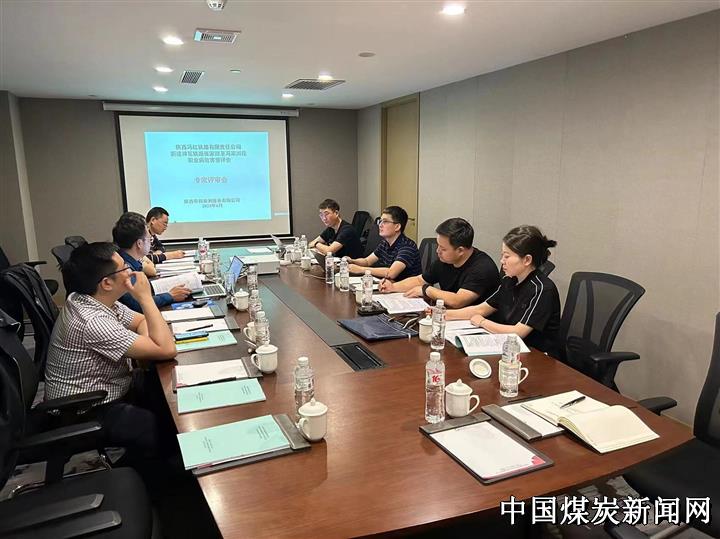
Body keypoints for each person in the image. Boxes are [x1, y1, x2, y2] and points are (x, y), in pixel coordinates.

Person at [44, 242, 178, 462]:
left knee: (161, 390)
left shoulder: (93, 299)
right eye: (125, 267)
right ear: (106, 283)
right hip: (82, 410)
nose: (131, 270)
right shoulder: (93, 321)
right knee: (154, 426)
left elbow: (141, 321)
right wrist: (145, 298)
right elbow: (166, 349)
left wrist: (150, 343)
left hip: (107, 388)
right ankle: (149, 475)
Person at [446, 225, 561, 356]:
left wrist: (482, 322)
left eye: (507, 256)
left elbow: (518, 332)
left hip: (537, 356)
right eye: (502, 256)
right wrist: (442, 314)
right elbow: (481, 309)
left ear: (527, 260)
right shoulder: (509, 280)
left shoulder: (542, 289)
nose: (502, 261)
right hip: (510, 349)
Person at [379, 217, 499, 309]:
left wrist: (427, 290)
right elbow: (420, 280)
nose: (437, 251)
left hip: (477, 325)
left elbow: (458, 301)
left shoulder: (482, 267)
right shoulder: (445, 260)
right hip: (449, 316)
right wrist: (392, 287)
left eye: (443, 248)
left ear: (460, 250)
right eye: (438, 246)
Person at [112, 212, 190, 312]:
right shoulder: (124, 269)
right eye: (149, 238)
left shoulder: (128, 260)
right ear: (139, 243)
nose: (151, 241)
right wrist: (170, 296)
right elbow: (139, 304)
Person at [346, 206, 421, 281]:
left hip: (404, 287)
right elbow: (367, 261)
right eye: (380, 221)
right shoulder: (385, 243)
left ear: (397, 227)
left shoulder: (407, 247)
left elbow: (391, 273)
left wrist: (361, 269)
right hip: (389, 284)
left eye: (385, 221)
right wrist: (352, 261)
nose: (380, 225)